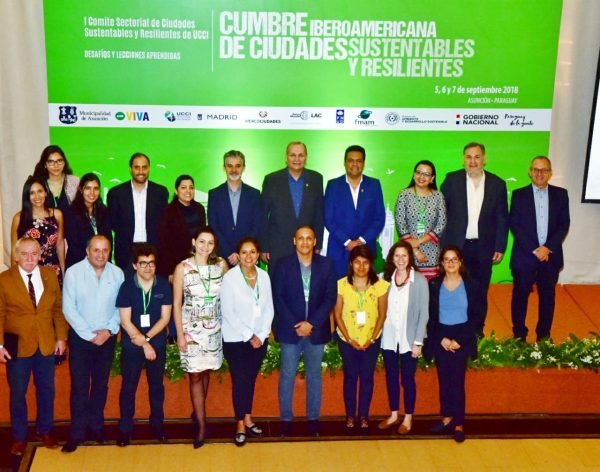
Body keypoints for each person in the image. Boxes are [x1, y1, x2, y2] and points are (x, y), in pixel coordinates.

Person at [0, 237, 68, 456]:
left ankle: (45, 430)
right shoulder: (4, 279)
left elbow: (57, 309)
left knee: (47, 390)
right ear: (16, 256)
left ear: (40, 255)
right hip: (17, 346)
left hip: (46, 344)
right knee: (18, 393)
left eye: (34, 253)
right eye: (24, 253)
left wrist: (61, 337)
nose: (29, 258)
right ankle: (19, 437)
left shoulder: (50, 275)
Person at [61, 235, 125, 453]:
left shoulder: (117, 273)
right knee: (79, 387)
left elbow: (121, 307)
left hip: (106, 339)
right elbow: (68, 308)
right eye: (96, 250)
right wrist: (89, 335)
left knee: (100, 385)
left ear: (110, 252)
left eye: (105, 250)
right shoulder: (73, 273)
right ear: (87, 251)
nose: (101, 254)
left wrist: (108, 331)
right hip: (81, 340)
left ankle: (96, 428)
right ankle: (76, 433)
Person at [273, 225, 337, 437]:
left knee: (314, 375)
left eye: (309, 238)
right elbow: (278, 298)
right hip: (290, 330)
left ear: (315, 241)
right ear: (294, 241)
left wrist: (312, 323)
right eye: (300, 238)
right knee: (287, 375)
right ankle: (285, 420)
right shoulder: (283, 265)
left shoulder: (327, 265)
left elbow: (330, 298)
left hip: (316, 331)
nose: (305, 242)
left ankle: (313, 420)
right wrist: (297, 324)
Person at [440, 142, 508, 335]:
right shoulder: (452, 180)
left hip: (484, 248)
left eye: (477, 157)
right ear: (463, 159)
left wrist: (500, 246)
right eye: (469, 157)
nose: (473, 161)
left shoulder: (497, 184)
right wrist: (444, 246)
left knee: (479, 292)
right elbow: (442, 213)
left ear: (484, 159)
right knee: (453, 290)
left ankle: (477, 333)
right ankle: (454, 331)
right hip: (456, 248)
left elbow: (502, 217)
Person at [172, 226, 228, 448]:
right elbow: (177, 303)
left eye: (210, 243)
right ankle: (202, 426)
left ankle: (199, 413)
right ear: (194, 242)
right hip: (191, 330)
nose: (206, 246)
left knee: (205, 371)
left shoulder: (221, 265)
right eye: (202, 241)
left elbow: (229, 296)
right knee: (195, 375)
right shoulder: (182, 268)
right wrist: (180, 335)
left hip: (214, 329)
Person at [116, 243, 172, 446]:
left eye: (151, 263)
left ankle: (157, 425)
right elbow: (125, 320)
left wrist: (147, 340)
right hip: (132, 345)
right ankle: (125, 429)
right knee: (128, 387)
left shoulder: (163, 285)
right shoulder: (126, 287)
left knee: (157, 387)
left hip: (156, 344)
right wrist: (142, 342)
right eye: (143, 263)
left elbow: (165, 319)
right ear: (134, 265)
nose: (148, 267)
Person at [509, 156, 570, 342]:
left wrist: (548, 248)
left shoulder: (561, 194)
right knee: (520, 296)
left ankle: (543, 336)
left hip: (550, 257)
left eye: (544, 170)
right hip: (524, 256)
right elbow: (515, 225)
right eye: (536, 169)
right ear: (530, 172)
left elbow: (564, 224)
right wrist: (535, 249)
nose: (539, 173)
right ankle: (519, 335)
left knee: (548, 297)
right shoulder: (519, 195)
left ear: (550, 173)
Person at [221, 237, 274, 446]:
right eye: (244, 252)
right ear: (238, 255)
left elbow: (269, 308)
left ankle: (248, 418)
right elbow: (228, 312)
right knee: (240, 381)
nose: (248, 256)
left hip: (259, 339)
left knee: (250, 380)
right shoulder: (230, 278)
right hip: (236, 339)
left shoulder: (264, 276)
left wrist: (262, 334)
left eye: (252, 252)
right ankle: (240, 424)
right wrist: (249, 335)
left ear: (258, 254)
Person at [333, 245, 388, 433]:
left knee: (367, 378)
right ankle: (350, 415)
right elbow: (337, 315)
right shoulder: (341, 284)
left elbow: (382, 315)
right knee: (350, 377)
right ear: (351, 264)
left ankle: (364, 416)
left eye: (365, 262)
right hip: (347, 340)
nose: (361, 266)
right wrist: (349, 339)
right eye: (357, 262)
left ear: (371, 264)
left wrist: (371, 340)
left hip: (371, 341)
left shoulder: (380, 286)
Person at [426, 246, 478, 443]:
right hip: (441, 335)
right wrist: (441, 338)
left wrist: (460, 340)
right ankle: (447, 417)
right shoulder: (434, 284)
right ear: (441, 263)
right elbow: (430, 316)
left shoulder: (471, 285)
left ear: (460, 262)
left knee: (457, 382)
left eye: (454, 259)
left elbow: (476, 316)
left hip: (462, 336)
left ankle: (458, 423)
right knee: (444, 380)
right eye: (447, 259)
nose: (450, 263)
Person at [378, 241, 429, 434]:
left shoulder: (420, 281)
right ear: (392, 258)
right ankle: (394, 414)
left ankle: (408, 417)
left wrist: (418, 342)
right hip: (389, 338)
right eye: (397, 255)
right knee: (391, 377)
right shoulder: (385, 280)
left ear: (410, 258)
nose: (400, 259)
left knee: (407, 379)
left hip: (409, 340)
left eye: (404, 256)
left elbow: (424, 314)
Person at [261, 142, 324, 274]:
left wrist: (318, 244)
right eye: (292, 155)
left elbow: (319, 215)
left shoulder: (316, 179)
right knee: (278, 284)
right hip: (278, 247)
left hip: (306, 246)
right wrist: (264, 246)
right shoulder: (271, 180)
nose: (297, 159)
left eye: (301, 155)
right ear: (286, 157)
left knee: (305, 283)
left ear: (306, 157)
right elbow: (262, 215)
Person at [324, 145, 386, 278]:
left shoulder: (374, 185)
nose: (355, 164)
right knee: (339, 288)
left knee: (365, 288)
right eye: (351, 160)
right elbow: (328, 219)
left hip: (366, 249)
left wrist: (361, 241)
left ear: (363, 163)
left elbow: (379, 218)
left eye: (358, 161)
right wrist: (347, 242)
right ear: (345, 162)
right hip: (339, 250)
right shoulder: (333, 186)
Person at [107, 152, 169, 270]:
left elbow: (163, 223)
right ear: (130, 169)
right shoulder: (116, 193)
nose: (141, 171)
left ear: (149, 168)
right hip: (126, 251)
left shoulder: (160, 192)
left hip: (153, 249)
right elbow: (113, 223)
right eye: (137, 167)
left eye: (144, 167)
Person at [208, 150, 262, 266]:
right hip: (222, 257)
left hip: (248, 258)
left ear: (243, 168)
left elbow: (256, 226)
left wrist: (241, 252)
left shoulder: (254, 194)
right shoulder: (214, 194)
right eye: (229, 166)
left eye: (238, 166)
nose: (234, 170)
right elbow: (213, 226)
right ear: (224, 168)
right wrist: (229, 252)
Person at [395, 160, 447, 280]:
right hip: (408, 250)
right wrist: (414, 250)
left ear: (432, 178)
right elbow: (400, 223)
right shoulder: (404, 194)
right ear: (414, 175)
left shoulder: (438, 196)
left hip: (431, 251)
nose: (421, 177)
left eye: (426, 174)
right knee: (408, 286)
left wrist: (418, 242)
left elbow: (441, 223)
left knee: (430, 288)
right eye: (418, 172)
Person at [11, 176, 66, 284]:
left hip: (53, 270)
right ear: (27, 196)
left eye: (40, 191)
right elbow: (14, 250)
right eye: (32, 193)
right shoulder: (19, 218)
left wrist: (64, 272)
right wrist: (15, 278)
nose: (37, 196)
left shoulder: (57, 214)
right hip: (29, 270)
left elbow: (60, 244)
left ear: (46, 192)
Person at [157, 174, 206, 281]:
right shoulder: (168, 211)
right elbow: (163, 243)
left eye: (191, 187)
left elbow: (203, 236)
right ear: (176, 191)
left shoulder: (200, 209)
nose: (188, 191)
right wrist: (170, 271)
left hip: (197, 262)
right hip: (175, 264)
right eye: (183, 187)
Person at [65, 173, 111, 268]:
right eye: (88, 188)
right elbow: (74, 245)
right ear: (81, 190)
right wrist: (91, 265)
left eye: (96, 188)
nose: (92, 192)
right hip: (79, 265)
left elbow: (109, 240)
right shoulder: (71, 213)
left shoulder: (103, 211)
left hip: (102, 264)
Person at [32, 145, 79, 214]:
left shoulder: (75, 182)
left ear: (64, 163)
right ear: (45, 164)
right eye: (51, 162)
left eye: (59, 161)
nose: (56, 165)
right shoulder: (38, 184)